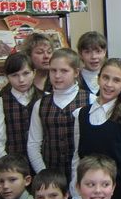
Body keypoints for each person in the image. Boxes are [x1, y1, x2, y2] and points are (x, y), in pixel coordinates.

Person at [70, 57, 121, 199]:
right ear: (98, 78)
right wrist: (76, 195)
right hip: (87, 191)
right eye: (105, 77)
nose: (109, 84)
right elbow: (77, 158)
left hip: (117, 192)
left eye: (116, 80)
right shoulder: (81, 114)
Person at [27, 48, 92, 183]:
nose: (57, 76)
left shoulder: (90, 100)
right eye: (53, 70)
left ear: (76, 72)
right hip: (50, 174)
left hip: (83, 176)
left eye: (64, 71)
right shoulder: (41, 104)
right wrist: (44, 173)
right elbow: (33, 144)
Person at [0, 52, 41, 161]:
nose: (21, 80)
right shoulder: (1, 102)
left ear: (34, 73)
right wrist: (8, 165)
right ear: (7, 77)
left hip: (43, 162)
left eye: (26, 73)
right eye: (14, 75)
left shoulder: (45, 98)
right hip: (13, 163)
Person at [75, 31, 108, 95]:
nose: (93, 57)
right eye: (87, 52)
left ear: (104, 52)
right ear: (80, 54)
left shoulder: (111, 76)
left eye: (98, 51)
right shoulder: (75, 78)